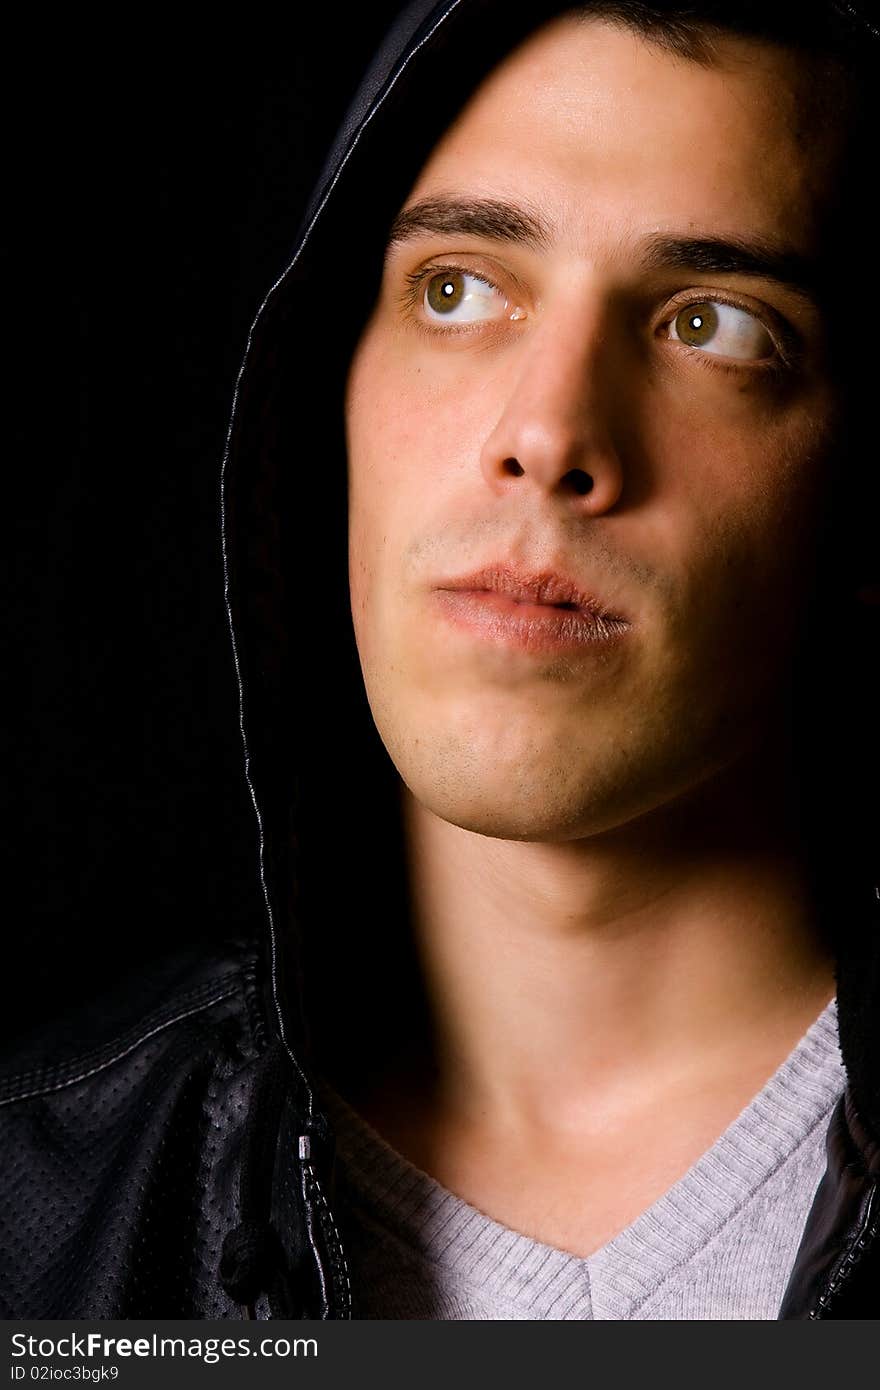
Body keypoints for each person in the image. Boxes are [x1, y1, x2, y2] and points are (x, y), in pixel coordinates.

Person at [2, 0, 879, 1320]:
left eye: (716, 325)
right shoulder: (37, 1212)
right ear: (320, 395)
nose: (549, 430)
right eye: (457, 288)